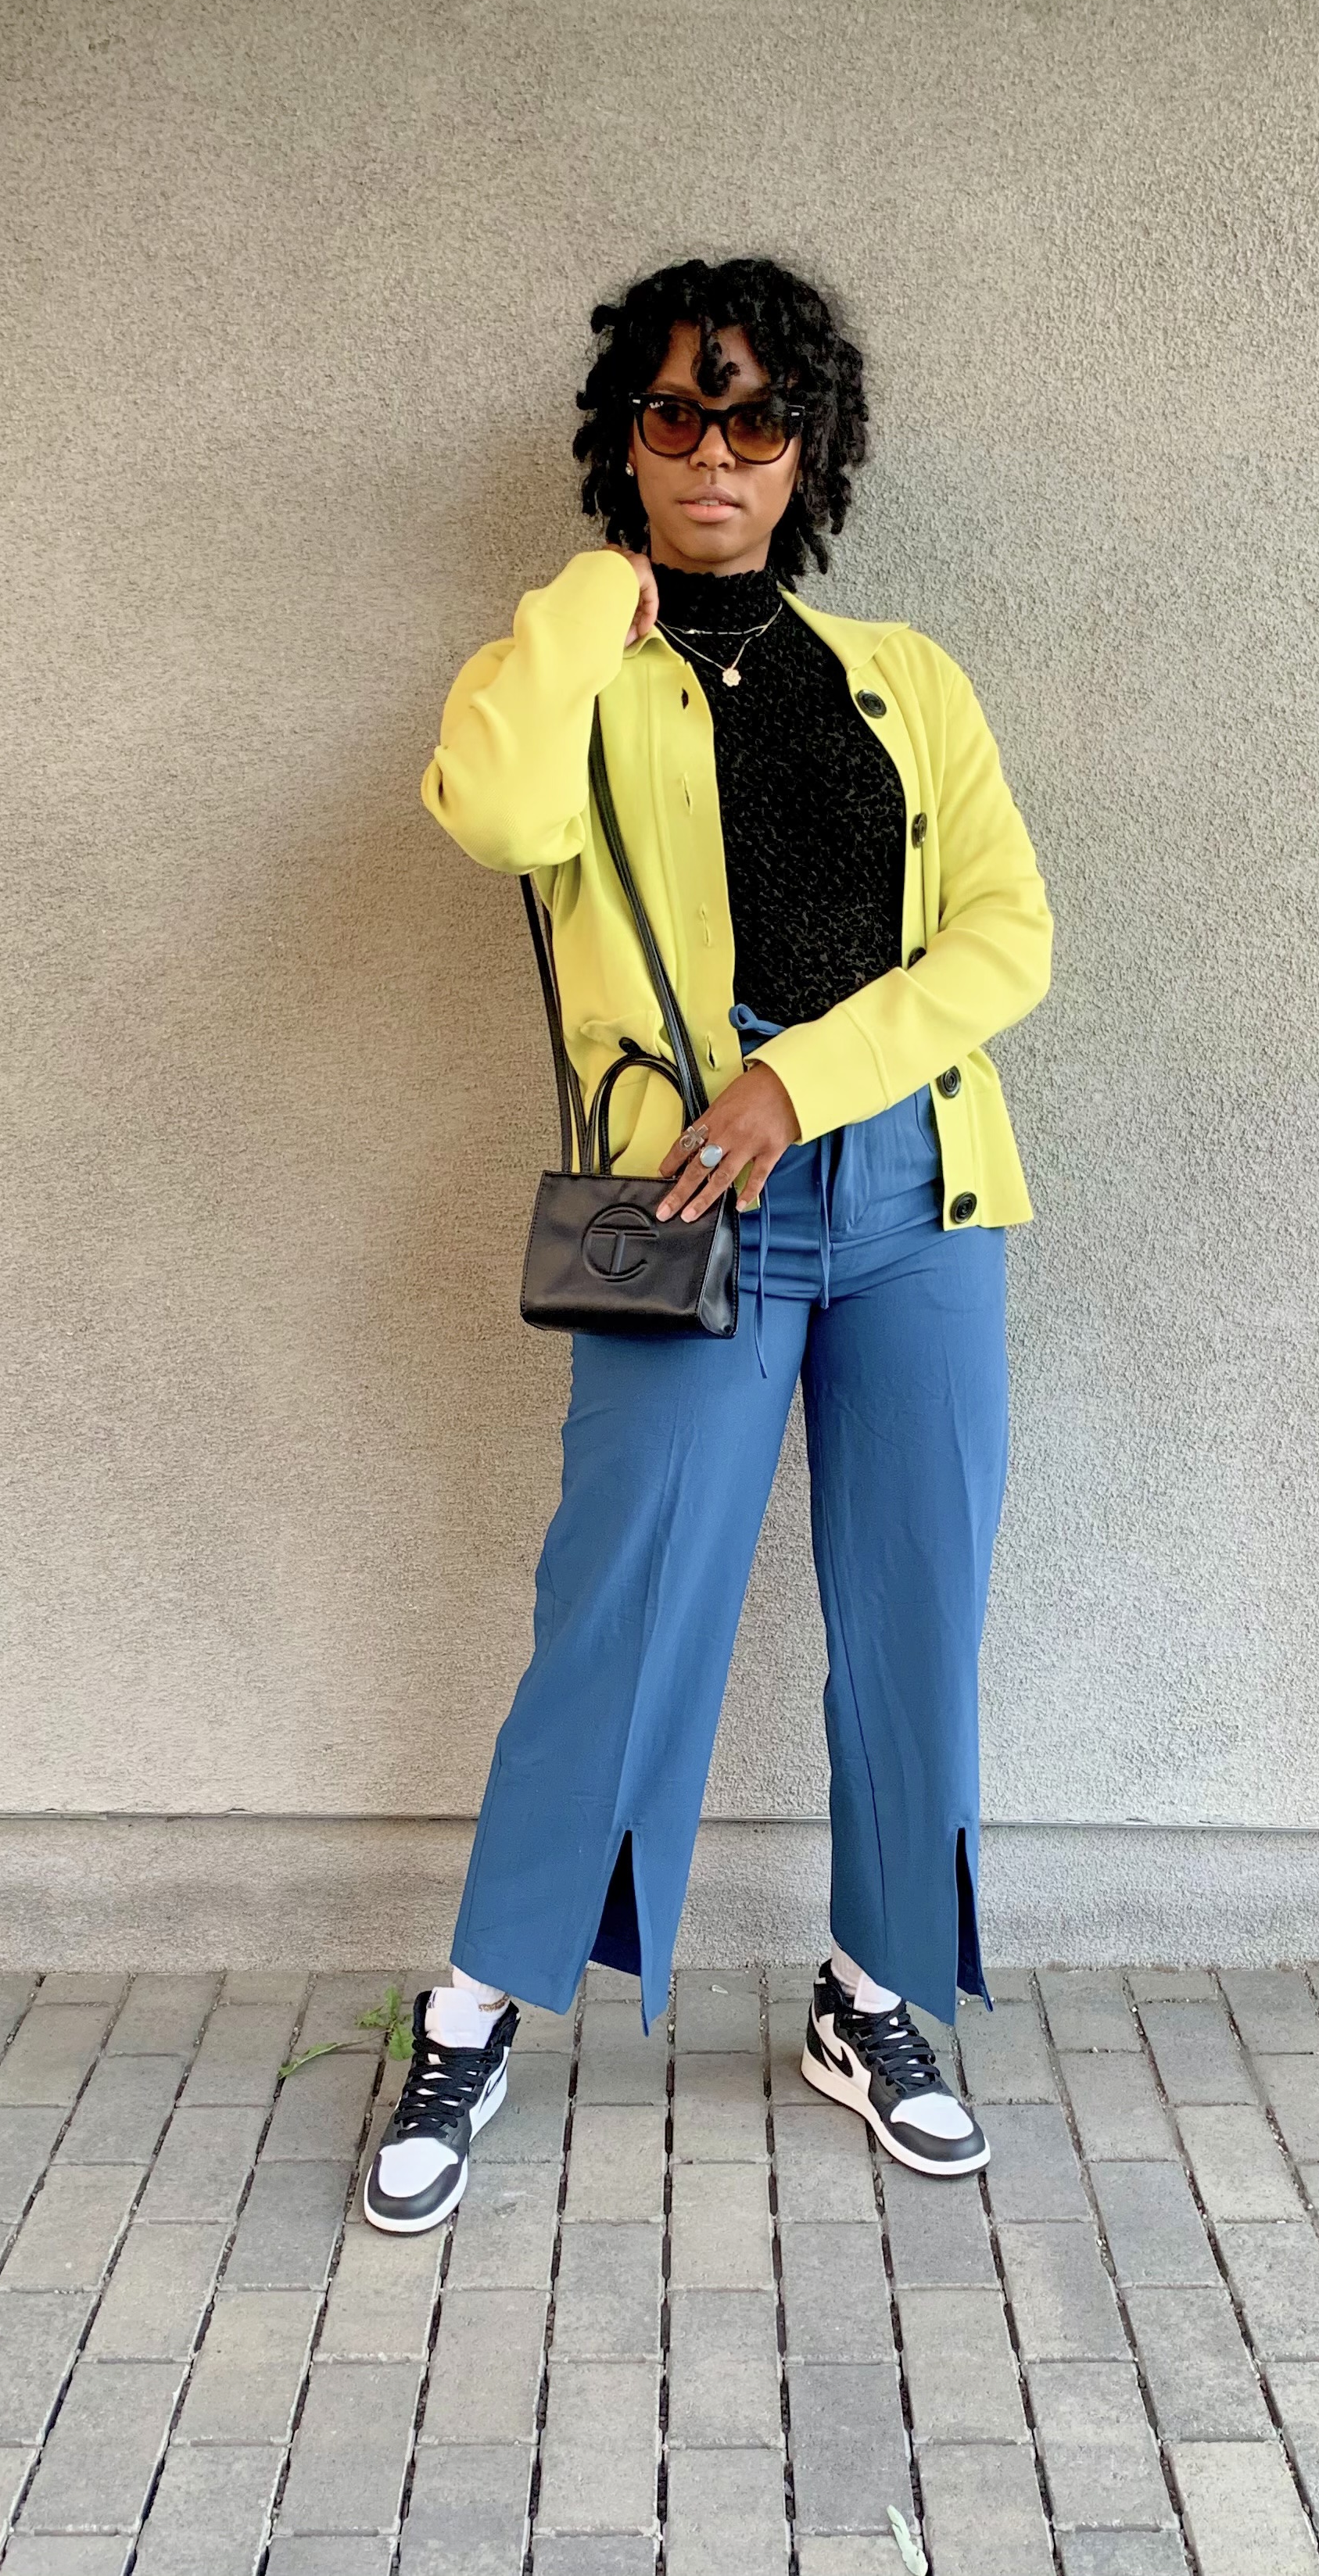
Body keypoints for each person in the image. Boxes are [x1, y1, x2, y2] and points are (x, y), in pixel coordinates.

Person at [367, 256, 1054, 2235]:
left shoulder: (907, 677)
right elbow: (492, 815)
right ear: (629, 439)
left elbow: (1006, 936)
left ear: (806, 447)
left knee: (915, 1610)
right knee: (623, 1605)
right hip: (683, 1206)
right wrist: (592, 595)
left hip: (913, 1193)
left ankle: (875, 1994)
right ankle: (477, 2006)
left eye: (755, 419)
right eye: (676, 414)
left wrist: (800, 1080)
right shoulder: (576, 672)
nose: (717, 454)